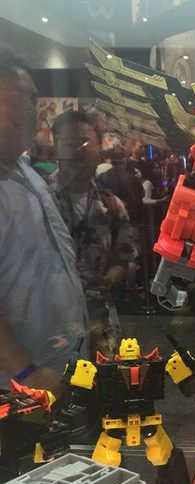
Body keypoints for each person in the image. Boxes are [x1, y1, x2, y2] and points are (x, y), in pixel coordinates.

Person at [0, 47, 88, 397]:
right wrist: (28, 372)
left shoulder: (24, 173)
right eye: (26, 99)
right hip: (20, 390)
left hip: (57, 373)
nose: (34, 111)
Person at [50, 110, 139, 355]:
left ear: (100, 149)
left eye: (85, 143)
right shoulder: (38, 201)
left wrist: (107, 281)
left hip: (100, 326)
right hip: (50, 328)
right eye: (69, 143)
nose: (77, 151)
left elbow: (123, 259)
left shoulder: (113, 205)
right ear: (56, 148)